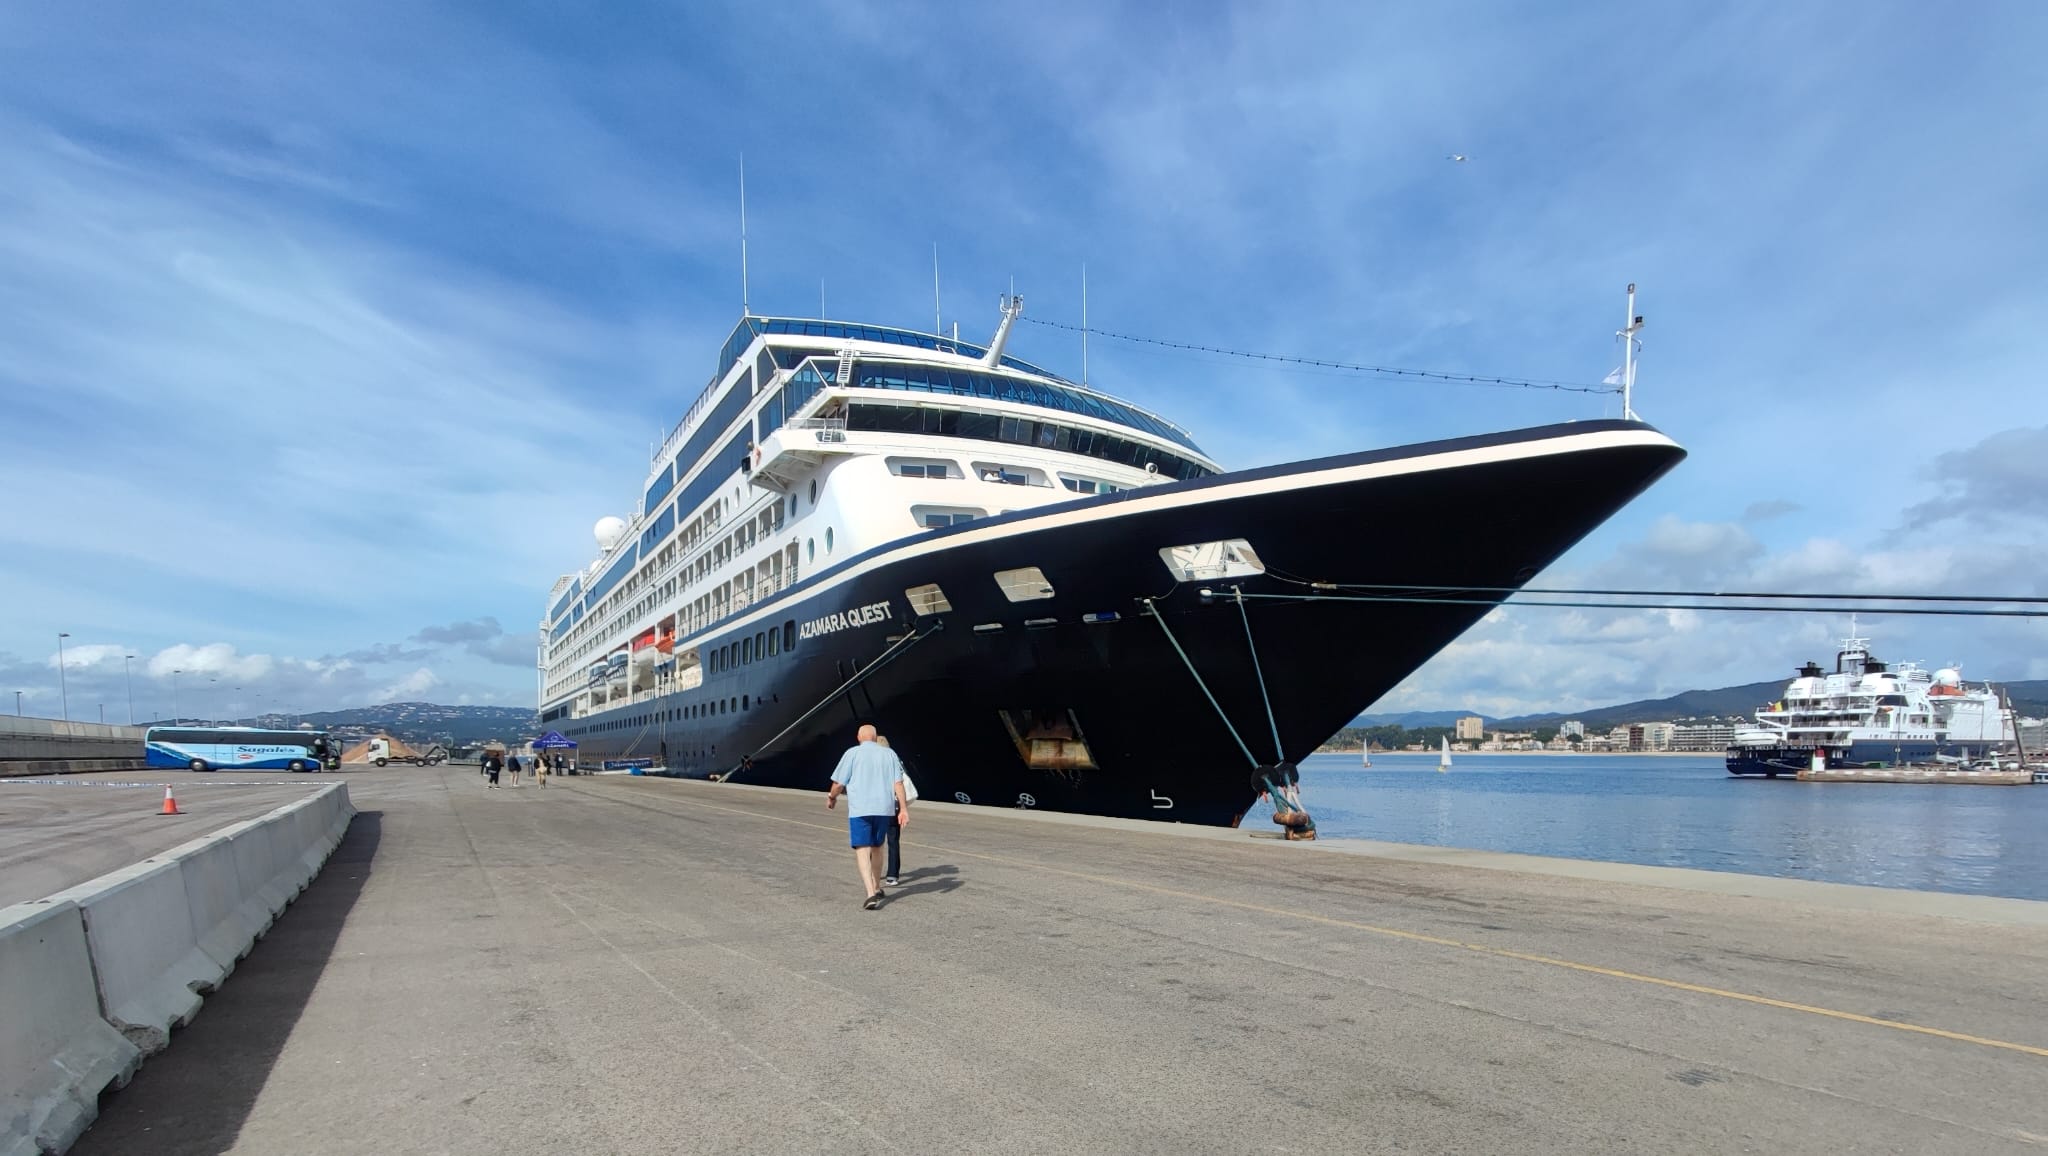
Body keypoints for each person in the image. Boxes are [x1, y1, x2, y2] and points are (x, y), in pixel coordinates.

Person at [825, 723, 908, 910]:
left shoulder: (852, 753)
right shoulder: (889, 754)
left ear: (858, 737)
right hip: (883, 809)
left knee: (862, 849)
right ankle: (878, 886)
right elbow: (898, 784)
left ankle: (870, 893)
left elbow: (839, 784)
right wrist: (903, 809)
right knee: (878, 848)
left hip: (860, 809)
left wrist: (832, 797)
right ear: (875, 736)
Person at [875, 736, 918, 887]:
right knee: (893, 841)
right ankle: (892, 875)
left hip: (879, 806)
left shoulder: (878, 762)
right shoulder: (896, 760)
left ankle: (873, 871)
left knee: (874, 840)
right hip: (895, 805)